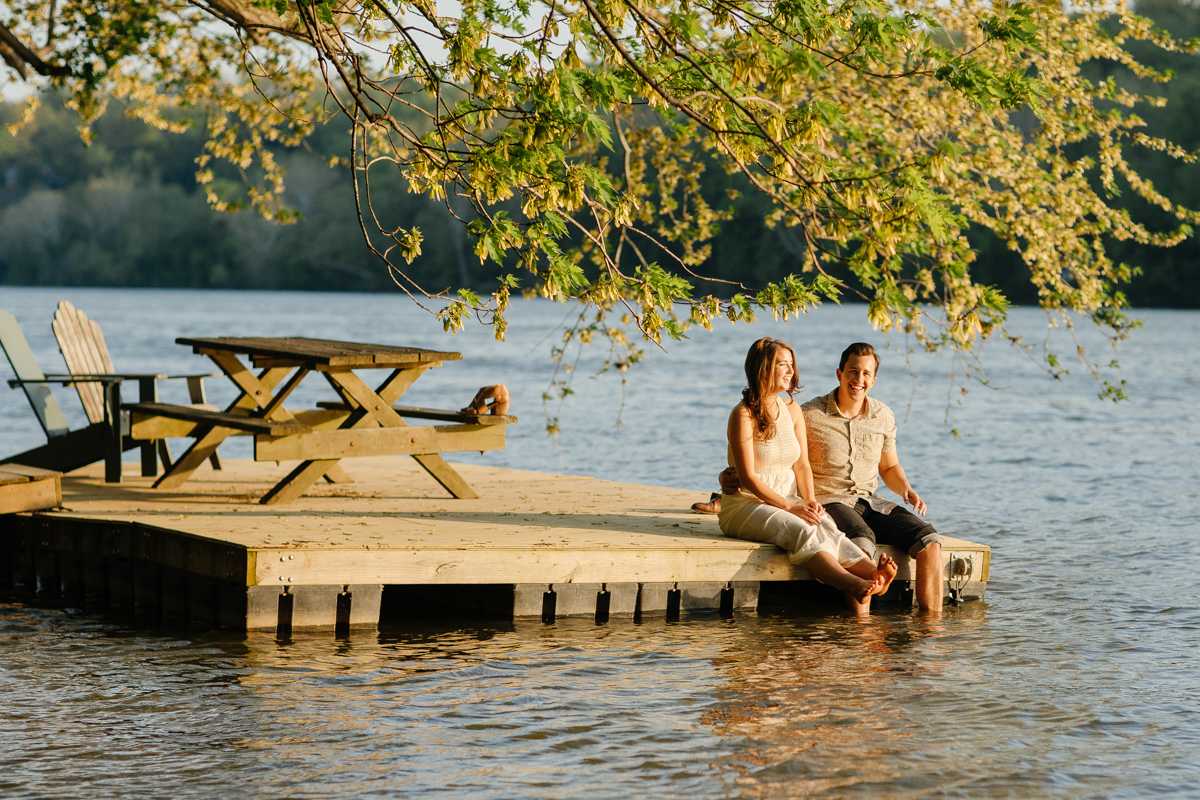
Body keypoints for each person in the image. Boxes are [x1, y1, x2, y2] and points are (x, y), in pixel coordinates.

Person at [715, 342, 944, 613]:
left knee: (922, 540)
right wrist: (726, 479)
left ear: (874, 379)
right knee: (839, 535)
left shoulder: (878, 415)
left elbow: (885, 467)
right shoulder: (803, 412)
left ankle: (919, 616)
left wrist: (905, 488)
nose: (859, 380)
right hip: (807, 501)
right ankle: (857, 602)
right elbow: (751, 471)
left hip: (865, 500)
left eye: (867, 374)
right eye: (853, 372)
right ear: (840, 374)